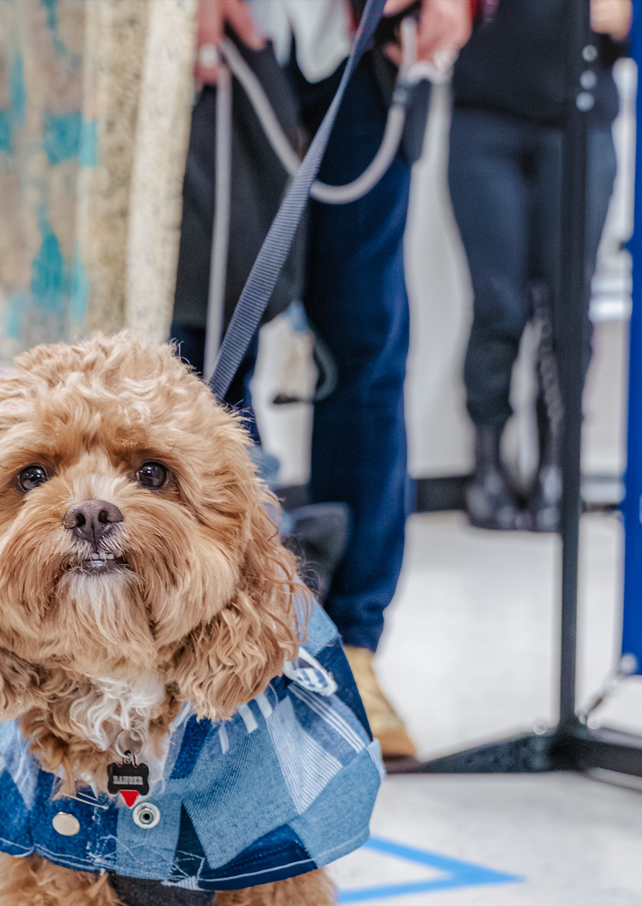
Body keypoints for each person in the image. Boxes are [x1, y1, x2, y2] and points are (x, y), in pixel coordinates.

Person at [190, 0, 477, 762]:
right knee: (206, 355)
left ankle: (351, 646)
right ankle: (217, 639)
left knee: (368, 352)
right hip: (222, 44)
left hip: (359, 47)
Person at [446, 0, 632, 530]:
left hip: (579, 117)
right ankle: (487, 467)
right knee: (497, 305)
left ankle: (557, 468)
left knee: (568, 306)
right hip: (484, 113)